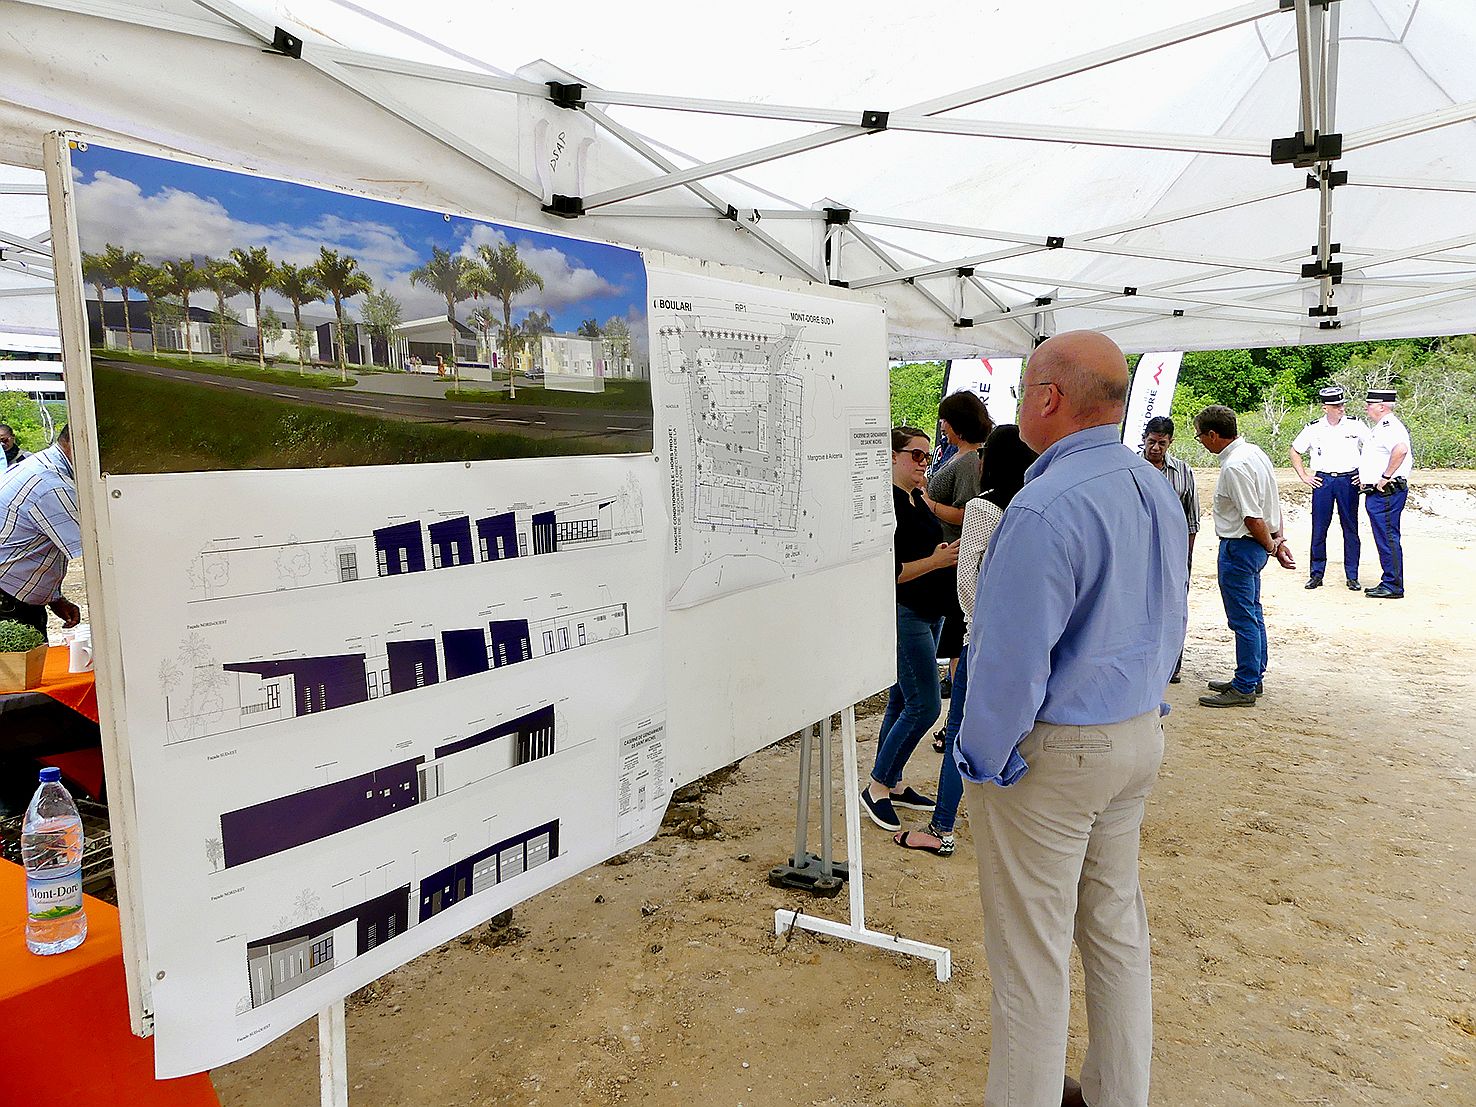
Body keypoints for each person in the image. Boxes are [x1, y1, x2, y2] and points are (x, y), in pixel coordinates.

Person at [956, 332, 1188, 1107]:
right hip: (1135, 731)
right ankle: (1120, 1093)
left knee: (1031, 953)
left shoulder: (1044, 503)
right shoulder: (1152, 484)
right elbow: (1171, 615)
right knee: (1116, 929)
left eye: (1024, 387)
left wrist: (981, 755)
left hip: (1057, 753)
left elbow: (1007, 660)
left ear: (1049, 397)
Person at [894, 424, 1035, 857]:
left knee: (959, 731)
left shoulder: (984, 507)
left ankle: (941, 830)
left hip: (984, 639)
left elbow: (968, 582)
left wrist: (973, 635)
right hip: (1025, 643)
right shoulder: (1035, 506)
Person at [861, 426, 959, 833]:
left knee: (902, 702)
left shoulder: (915, 498)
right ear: (893, 456)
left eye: (927, 455)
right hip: (906, 613)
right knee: (926, 705)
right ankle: (877, 786)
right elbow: (891, 573)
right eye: (916, 456)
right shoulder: (888, 505)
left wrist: (935, 555)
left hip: (928, 610)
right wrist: (936, 563)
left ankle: (894, 781)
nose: (924, 462)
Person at [1195, 405, 1296, 707]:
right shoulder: (1254, 452)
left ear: (1214, 435)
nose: (1201, 441)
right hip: (1255, 544)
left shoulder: (1234, 466)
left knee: (1242, 619)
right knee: (1253, 611)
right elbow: (1271, 502)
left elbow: (1253, 516)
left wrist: (1271, 545)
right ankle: (1253, 675)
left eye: (1201, 436)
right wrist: (1276, 540)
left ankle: (1245, 685)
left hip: (1241, 545)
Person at [922, 391, 994, 713]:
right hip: (948, 555)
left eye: (945, 422)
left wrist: (930, 505)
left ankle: (957, 715)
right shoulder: (960, 455)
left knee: (955, 641)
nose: (942, 427)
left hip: (955, 557)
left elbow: (968, 512)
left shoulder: (966, 461)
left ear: (955, 424)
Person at [0, 424, 84, 636]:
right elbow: (98, 553)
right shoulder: (52, 484)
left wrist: (53, 597)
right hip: (7, 603)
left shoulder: (39, 464)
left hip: (13, 596)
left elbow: (34, 545)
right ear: (81, 444)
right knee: (20, 667)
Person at [1288, 386, 1367, 591]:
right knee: (1319, 528)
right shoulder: (1313, 428)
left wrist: (1366, 474)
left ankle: (1352, 575)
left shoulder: (1355, 425)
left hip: (1348, 480)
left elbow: (1372, 448)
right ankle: (1316, 574)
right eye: (1336, 405)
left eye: (1342, 404)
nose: (1341, 408)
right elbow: (1295, 450)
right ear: (1325, 408)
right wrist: (1304, 476)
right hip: (1323, 481)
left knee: (1350, 528)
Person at [1141, 416, 1200, 682]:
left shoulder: (1184, 472)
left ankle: (1172, 665)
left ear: (1170, 442)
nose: (1155, 448)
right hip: (1138, 551)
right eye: (1151, 442)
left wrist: (1186, 556)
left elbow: (1192, 519)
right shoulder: (1130, 469)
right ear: (1144, 439)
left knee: (1174, 608)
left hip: (1174, 553)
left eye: (1161, 443)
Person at [1360, 387, 1413, 599]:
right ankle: (1390, 581)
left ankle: (1392, 584)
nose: (1366, 408)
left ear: (1381, 407)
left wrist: (1385, 476)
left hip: (1387, 492)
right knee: (1385, 536)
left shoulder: (1390, 427)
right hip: (1380, 492)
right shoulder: (1383, 426)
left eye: (1370, 404)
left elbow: (1400, 450)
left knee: (1388, 537)